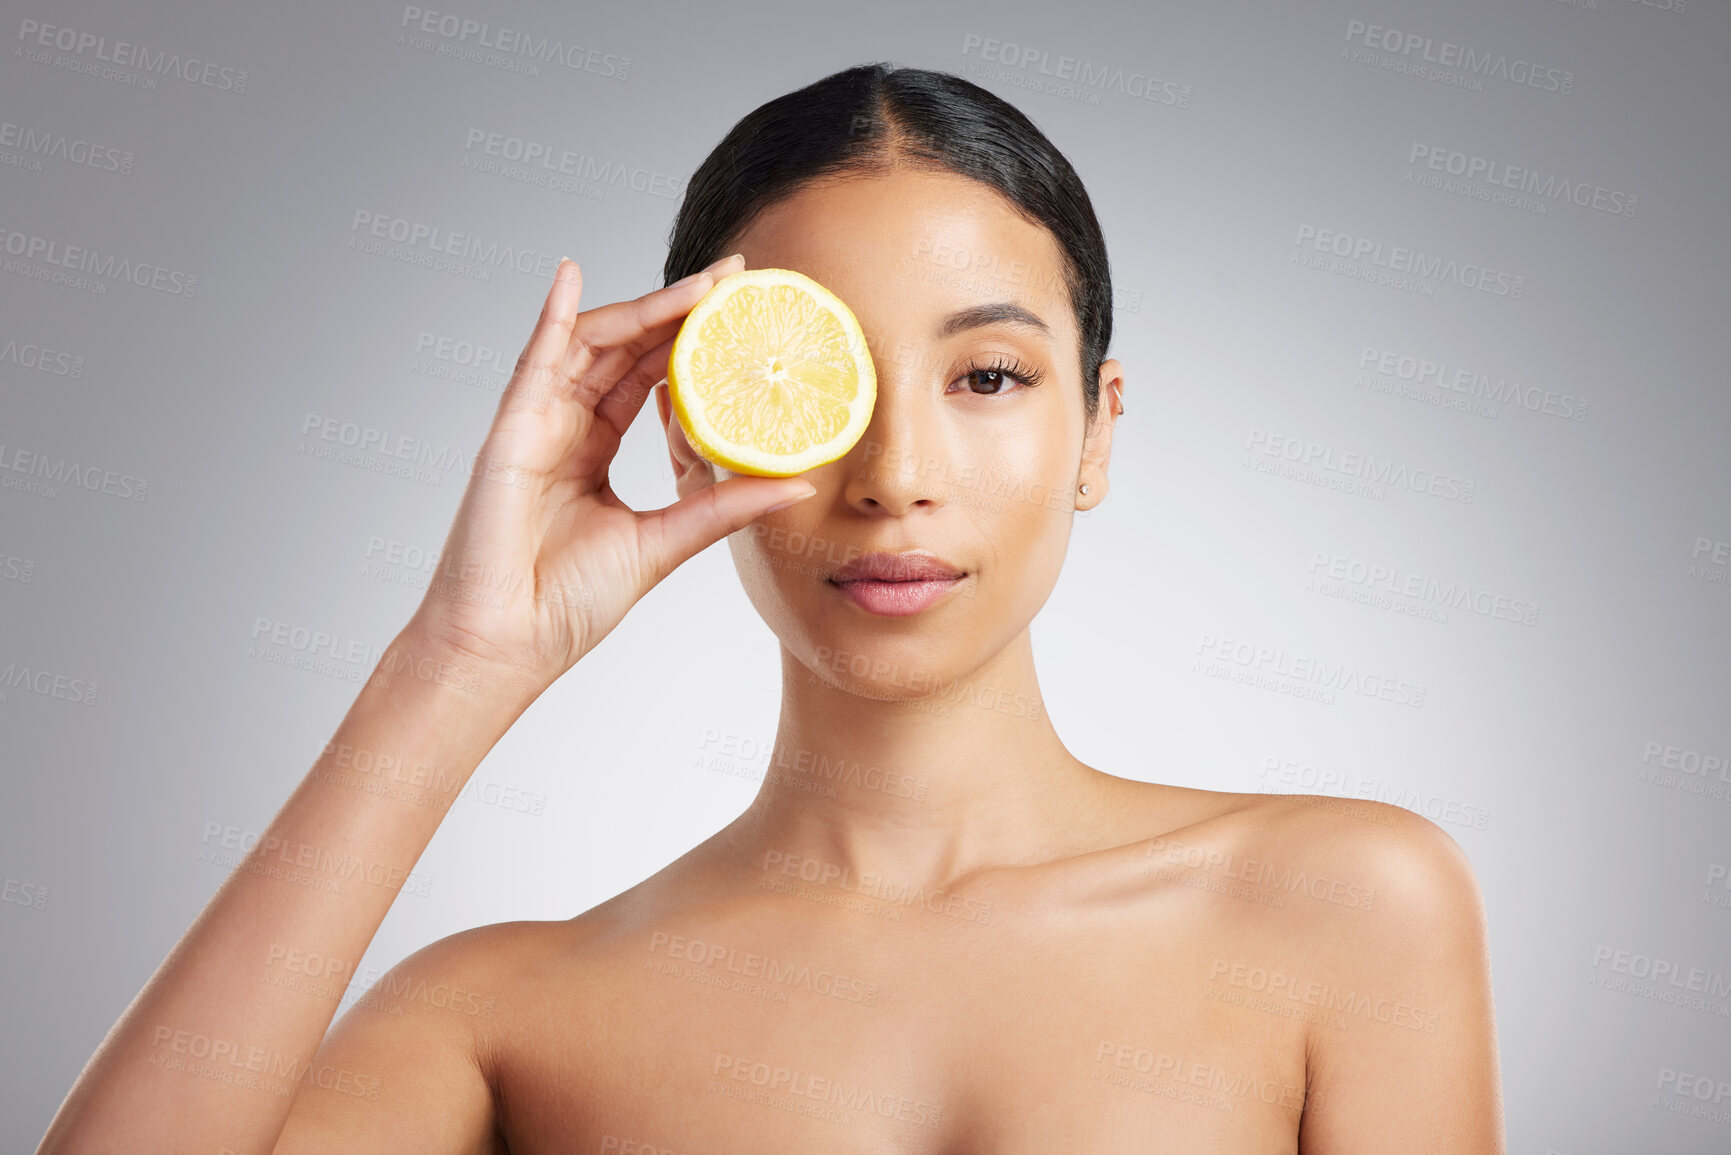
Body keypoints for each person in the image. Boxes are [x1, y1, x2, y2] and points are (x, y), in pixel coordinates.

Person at [37, 62, 1505, 1153]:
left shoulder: (1345, 903)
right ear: (694, 430)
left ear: (1098, 432)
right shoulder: (502, 1016)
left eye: (986, 376)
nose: (896, 477)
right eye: (821, 384)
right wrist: (458, 661)